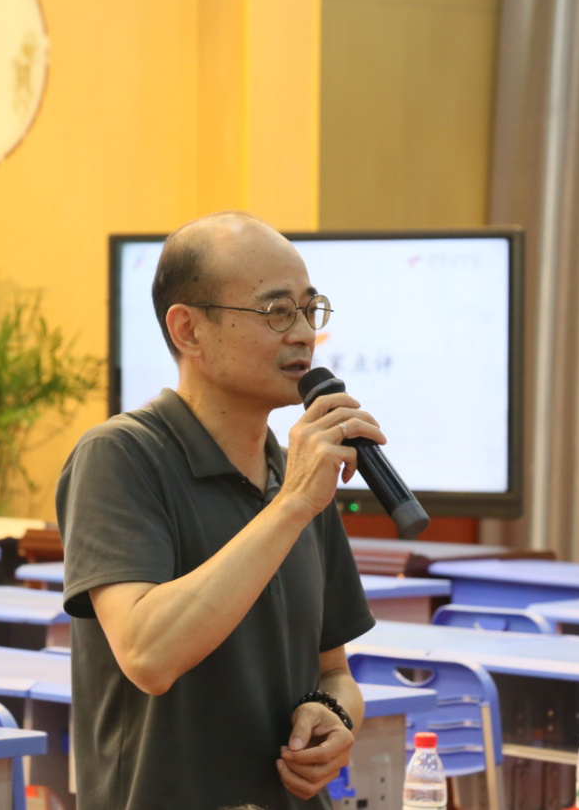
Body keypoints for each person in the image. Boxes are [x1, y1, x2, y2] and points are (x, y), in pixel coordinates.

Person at [57, 211, 381, 809]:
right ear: (188, 330)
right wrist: (291, 504)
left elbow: (334, 672)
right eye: (276, 311)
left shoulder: (296, 473)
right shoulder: (121, 456)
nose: (303, 334)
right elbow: (149, 655)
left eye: (310, 309)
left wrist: (336, 715)